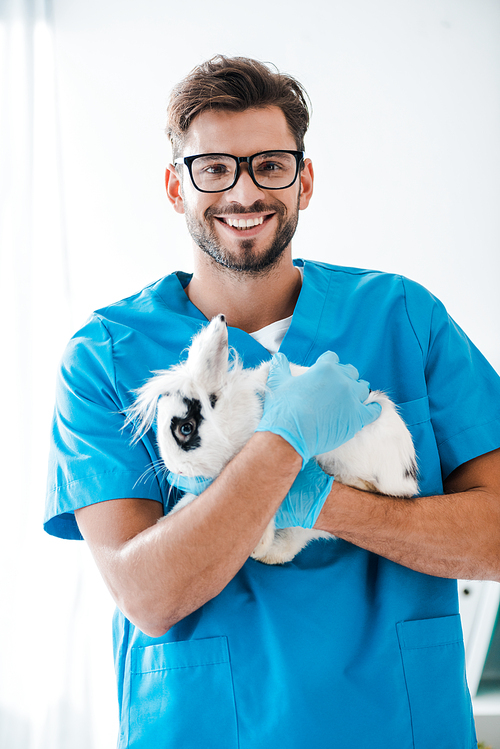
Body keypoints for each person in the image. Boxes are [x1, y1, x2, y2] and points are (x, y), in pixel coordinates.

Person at [44, 55, 500, 748]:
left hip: (397, 722)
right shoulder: (106, 357)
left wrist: (323, 503)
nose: (244, 191)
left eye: (270, 165)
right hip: (208, 726)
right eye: (216, 169)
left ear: (304, 180)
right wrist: (281, 445)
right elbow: (148, 594)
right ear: (176, 187)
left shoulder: (403, 318)